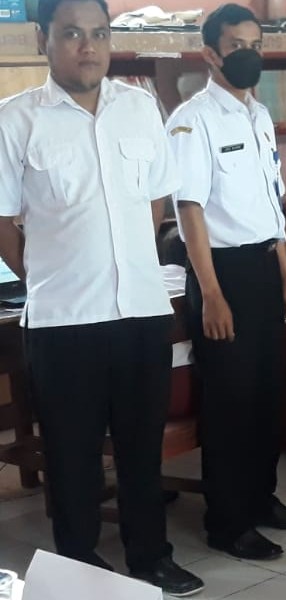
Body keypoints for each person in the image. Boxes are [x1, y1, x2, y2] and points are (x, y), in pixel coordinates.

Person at [0, 0, 204, 594]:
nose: (87, 46)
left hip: (141, 312)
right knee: (72, 456)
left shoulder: (139, 109)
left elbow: (157, 198)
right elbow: (3, 220)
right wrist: (45, 272)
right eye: (71, 33)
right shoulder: (16, 120)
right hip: (63, 320)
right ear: (43, 39)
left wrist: (129, 259)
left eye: (98, 33)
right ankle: (80, 569)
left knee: (141, 448)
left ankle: (151, 556)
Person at [165, 3, 286, 561]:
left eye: (256, 44)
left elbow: (271, 210)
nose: (248, 54)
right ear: (211, 53)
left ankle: (260, 500)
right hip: (220, 272)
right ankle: (227, 522)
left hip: (262, 271)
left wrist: (285, 281)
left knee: (265, 396)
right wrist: (210, 293)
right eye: (236, 45)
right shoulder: (192, 120)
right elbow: (190, 210)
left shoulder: (259, 115)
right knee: (229, 403)